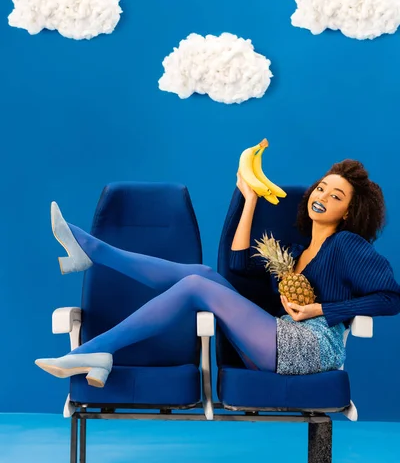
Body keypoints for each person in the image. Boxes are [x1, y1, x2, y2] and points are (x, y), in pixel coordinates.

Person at [35, 160, 400, 387]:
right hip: (280, 339)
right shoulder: (299, 253)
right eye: (321, 187)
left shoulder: (347, 245)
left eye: (336, 196)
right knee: (204, 274)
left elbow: (391, 297)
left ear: (350, 213)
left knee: (195, 285)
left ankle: (94, 345)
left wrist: (321, 310)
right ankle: (94, 254)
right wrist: (250, 199)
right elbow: (240, 263)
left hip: (311, 349)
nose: (322, 195)